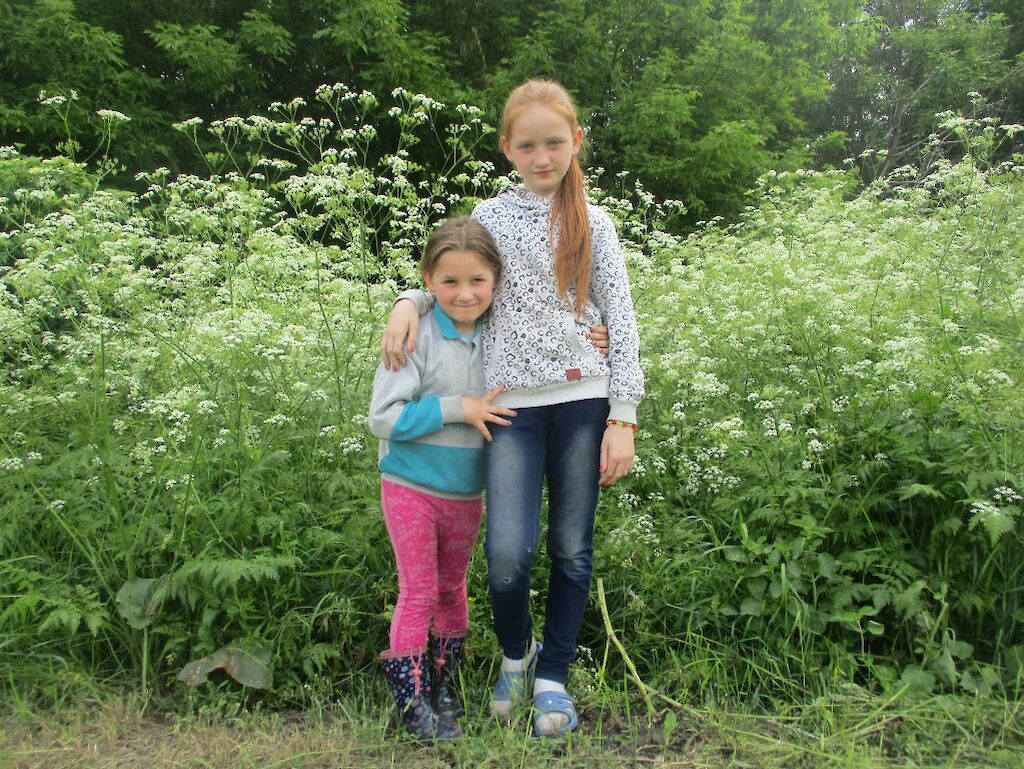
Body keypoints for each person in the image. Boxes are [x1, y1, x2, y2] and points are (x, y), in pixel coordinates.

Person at [380, 79, 644, 737]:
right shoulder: (491, 216)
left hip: (583, 402)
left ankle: (552, 676)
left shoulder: (596, 223)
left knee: (572, 549)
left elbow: (621, 319)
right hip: (509, 412)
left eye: (554, 143)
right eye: (527, 145)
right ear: (507, 148)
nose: (542, 156)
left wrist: (623, 416)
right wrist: (408, 302)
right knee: (505, 556)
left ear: (575, 141)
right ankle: (516, 657)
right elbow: (457, 277)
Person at [369, 217, 516, 742]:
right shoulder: (415, 333)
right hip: (410, 486)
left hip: (466, 493)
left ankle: (443, 687)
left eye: (477, 280)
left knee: (454, 590)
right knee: (419, 592)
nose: (464, 293)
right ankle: (412, 702)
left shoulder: (504, 330)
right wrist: (459, 408)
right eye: (449, 281)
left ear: (496, 280)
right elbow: (383, 418)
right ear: (428, 279)